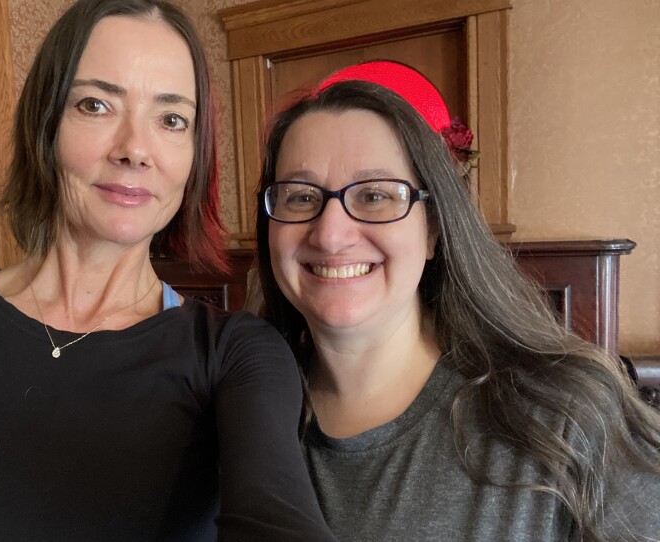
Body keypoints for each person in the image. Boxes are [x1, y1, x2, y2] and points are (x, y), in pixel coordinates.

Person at [0, 1, 336, 540]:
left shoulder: (237, 353)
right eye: (96, 105)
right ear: (43, 124)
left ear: (194, 158)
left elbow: (276, 520)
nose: (135, 149)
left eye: (171, 119)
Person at [253, 76, 660, 541]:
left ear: (432, 230)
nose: (329, 234)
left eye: (375, 195)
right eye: (302, 197)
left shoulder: (563, 412)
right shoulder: (236, 410)